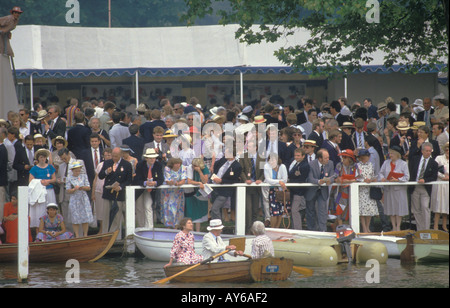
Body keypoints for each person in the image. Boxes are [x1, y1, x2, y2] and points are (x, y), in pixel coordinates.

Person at [98, 147, 133, 238]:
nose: (114, 158)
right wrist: (106, 172)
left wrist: (121, 187)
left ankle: (115, 237)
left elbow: (129, 180)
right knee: (106, 216)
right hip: (107, 193)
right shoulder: (107, 163)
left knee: (117, 217)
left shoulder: (127, 165)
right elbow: (100, 176)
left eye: (116, 156)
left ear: (121, 155)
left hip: (119, 194)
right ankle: (105, 236)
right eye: (113, 156)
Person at [408, 142, 438, 231]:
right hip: (414, 187)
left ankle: (426, 229)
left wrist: (425, 180)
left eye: (430, 151)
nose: (428, 153)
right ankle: (419, 230)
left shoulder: (434, 163)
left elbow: (434, 176)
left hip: (425, 188)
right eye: (426, 151)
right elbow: (410, 171)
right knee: (416, 210)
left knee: (425, 207)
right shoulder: (414, 159)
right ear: (422, 151)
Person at [379, 146, 410, 231]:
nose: (390, 155)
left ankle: (398, 226)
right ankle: (393, 226)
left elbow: (407, 177)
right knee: (391, 207)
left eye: (392, 153)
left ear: (397, 154)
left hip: (399, 189)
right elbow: (381, 173)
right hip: (389, 189)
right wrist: (382, 178)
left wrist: (397, 179)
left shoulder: (403, 164)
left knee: (398, 208)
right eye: (390, 153)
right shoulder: (386, 163)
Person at [305, 149, 336, 232]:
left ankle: (323, 230)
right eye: (326, 158)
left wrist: (330, 181)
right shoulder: (311, 164)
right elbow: (310, 178)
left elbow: (333, 176)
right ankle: (311, 230)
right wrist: (318, 182)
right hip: (312, 190)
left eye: (328, 157)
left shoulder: (330, 163)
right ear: (320, 158)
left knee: (322, 211)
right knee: (310, 211)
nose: (328, 159)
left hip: (323, 191)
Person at [133, 148, 164, 229]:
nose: (152, 160)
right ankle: (141, 227)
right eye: (150, 158)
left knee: (148, 206)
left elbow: (161, 179)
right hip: (140, 189)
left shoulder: (158, 165)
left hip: (150, 190)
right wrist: (145, 183)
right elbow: (137, 179)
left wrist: (155, 183)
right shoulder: (140, 165)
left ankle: (149, 228)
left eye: (154, 158)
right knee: (139, 208)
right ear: (146, 158)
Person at [29, 148, 57, 233]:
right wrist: (40, 182)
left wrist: (48, 181)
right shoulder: (34, 169)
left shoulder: (50, 167)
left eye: (44, 157)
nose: (42, 159)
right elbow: (31, 181)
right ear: (38, 158)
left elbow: (54, 179)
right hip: (39, 193)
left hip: (49, 190)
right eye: (41, 157)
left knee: (49, 209)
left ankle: (51, 231)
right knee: (39, 212)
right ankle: (39, 233)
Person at [66, 160, 93, 238]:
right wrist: (74, 189)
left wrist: (82, 188)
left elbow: (88, 187)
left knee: (85, 217)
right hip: (74, 198)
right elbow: (68, 190)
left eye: (79, 170)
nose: (78, 172)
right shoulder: (69, 178)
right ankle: (77, 235)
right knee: (75, 217)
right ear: (72, 170)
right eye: (76, 171)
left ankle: (85, 235)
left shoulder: (83, 176)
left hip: (83, 197)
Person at [333, 150, 359, 226]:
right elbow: (335, 176)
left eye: (345, 157)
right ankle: (340, 226)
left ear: (350, 158)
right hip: (341, 191)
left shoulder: (355, 166)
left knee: (350, 209)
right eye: (342, 157)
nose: (343, 158)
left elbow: (359, 178)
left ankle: (343, 226)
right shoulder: (339, 165)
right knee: (339, 208)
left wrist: (350, 180)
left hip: (353, 191)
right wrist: (337, 179)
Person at [356, 149, 379, 233]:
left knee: (369, 209)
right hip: (361, 190)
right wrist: (363, 180)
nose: (363, 158)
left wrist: (373, 179)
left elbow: (373, 175)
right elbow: (356, 177)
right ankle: (364, 227)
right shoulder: (357, 165)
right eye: (361, 157)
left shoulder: (371, 165)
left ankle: (368, 227)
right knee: (362, 210)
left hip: (369, 189)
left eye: (365, 157)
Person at [264, 153, 289, 228]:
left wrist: (279, 181)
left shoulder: (282, 166)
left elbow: (285, 179)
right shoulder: (266, 166)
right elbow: (268, 180)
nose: (271, 162)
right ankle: (272, 229)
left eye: (273, 160)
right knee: (274, 212)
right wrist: (279, 182)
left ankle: (277, 229)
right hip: (272, 191)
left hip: (281, 191)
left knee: (280, 211)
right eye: (270, 160)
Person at [288, 148, 310, 230]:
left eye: (298, 155)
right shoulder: (295, 163)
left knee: (295, 211)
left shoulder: (305, 165)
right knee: (293, 211)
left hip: (299, 192)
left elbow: (301, 179)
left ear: (303, 156)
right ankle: (295, 228)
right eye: (295, 155)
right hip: (293, 192)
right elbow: (290, 174)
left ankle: (298, 229)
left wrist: (292, 178)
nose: (296, 157)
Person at [185, 158, 210, 232]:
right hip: (192, 193)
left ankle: (198, 232)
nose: (193, 167)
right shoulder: (190, 168)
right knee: (193, 213)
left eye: (194, 166)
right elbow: (189, 181)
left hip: (202, 194)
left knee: (199, 212)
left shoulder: (204, 168)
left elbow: (205, 180)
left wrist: (199, 171)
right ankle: (191, 232)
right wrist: (198, 183)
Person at [162, 158, 187, 228]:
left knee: (179, 208)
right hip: (169, 192)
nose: (178, 165)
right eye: (176, 163)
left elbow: (183, 179)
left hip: (179, 192)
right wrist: (171, 183)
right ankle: (168, 226)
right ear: (172, 164)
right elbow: (168, 180)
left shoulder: (183, 168)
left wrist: (178, 183)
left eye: (179, 163)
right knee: (169, 208)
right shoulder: (167, 168)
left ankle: (176, 226)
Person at [92, 148, 112, 234]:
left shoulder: (113, 165)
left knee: (107, 211)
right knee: (100, 211)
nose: (107, 157)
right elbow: (95, 179)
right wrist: (93, 192)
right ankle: (101, 230)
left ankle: (107, 230)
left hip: (108, 191)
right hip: (98, 190)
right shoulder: (100, 165)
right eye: (105, 155)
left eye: (109, 155)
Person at [432, 142, 449, 231]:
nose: (448, 151)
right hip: (439, 183)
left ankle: (444, 226)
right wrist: (443, 177)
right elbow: (434, 169)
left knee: (446, 205)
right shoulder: (438, 158)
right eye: (446, 149)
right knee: (438, 205)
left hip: (448, 185)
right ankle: (435, 226)